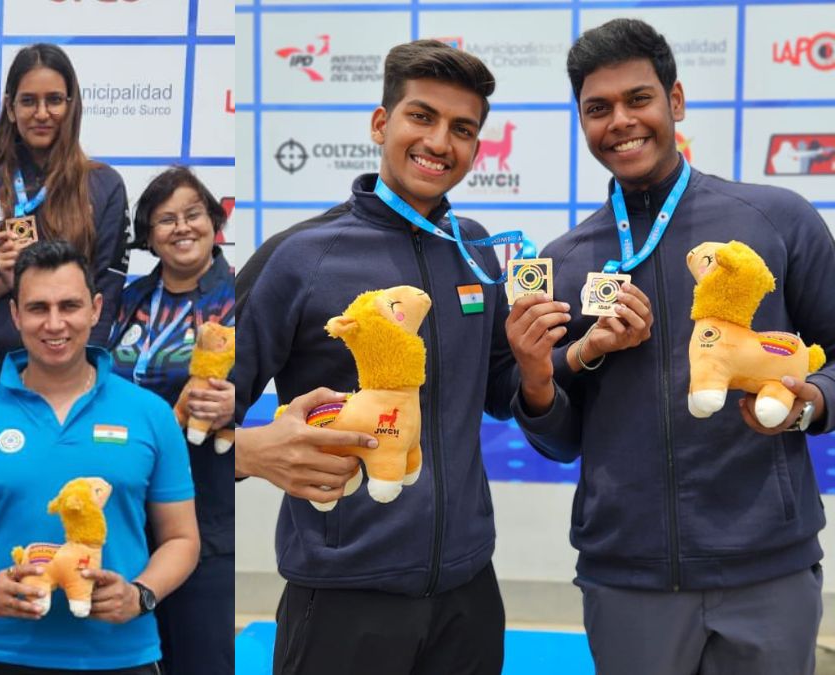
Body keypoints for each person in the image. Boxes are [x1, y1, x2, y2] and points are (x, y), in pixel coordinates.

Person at [508, 18, 835, 675]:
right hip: (627, 579)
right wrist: (538, 378)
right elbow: (561, 439)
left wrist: (808, 404)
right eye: (598, 108)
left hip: (766, 570)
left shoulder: (776, 219)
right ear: (582, 120)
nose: (621, 122)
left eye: (638, 99)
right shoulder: (562, 261)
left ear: (675, 101)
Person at [233, 39, 522, 675]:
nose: (440, 142)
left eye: (462, 129)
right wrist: (248, 452)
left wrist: (547, 359)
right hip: (342, 595)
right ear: (380, 123)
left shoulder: (476, 249)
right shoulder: (299, 256)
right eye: (422, 116)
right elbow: (193, 419)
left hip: (469, 590)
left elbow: (501, 391)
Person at [0, 240, 200, 674]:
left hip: (123, 655)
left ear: (95, 309)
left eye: (69, 306)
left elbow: (182, 539)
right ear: (15, 315)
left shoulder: (150, 415)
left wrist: (140, 594)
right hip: (1, 655)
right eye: (38, 308)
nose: (54, 324)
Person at [107, 167, 235, 675]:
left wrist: (235, 403)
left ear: (213, 221)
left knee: (201, 656)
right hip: (127, 509)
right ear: (149, 233)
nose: (182, 227)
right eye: (166, 219)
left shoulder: (238, 296)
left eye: (193, 214)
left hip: (204, 505)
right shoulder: (128, 299)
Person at [0, 43, 131, 388]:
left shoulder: (103, 185)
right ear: (10, 108)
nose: (41, 113)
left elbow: (106, 295)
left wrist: (85, 380)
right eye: (28, 101)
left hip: (75, 382)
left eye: (53, 100)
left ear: (71, 105)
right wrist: (2, 283)